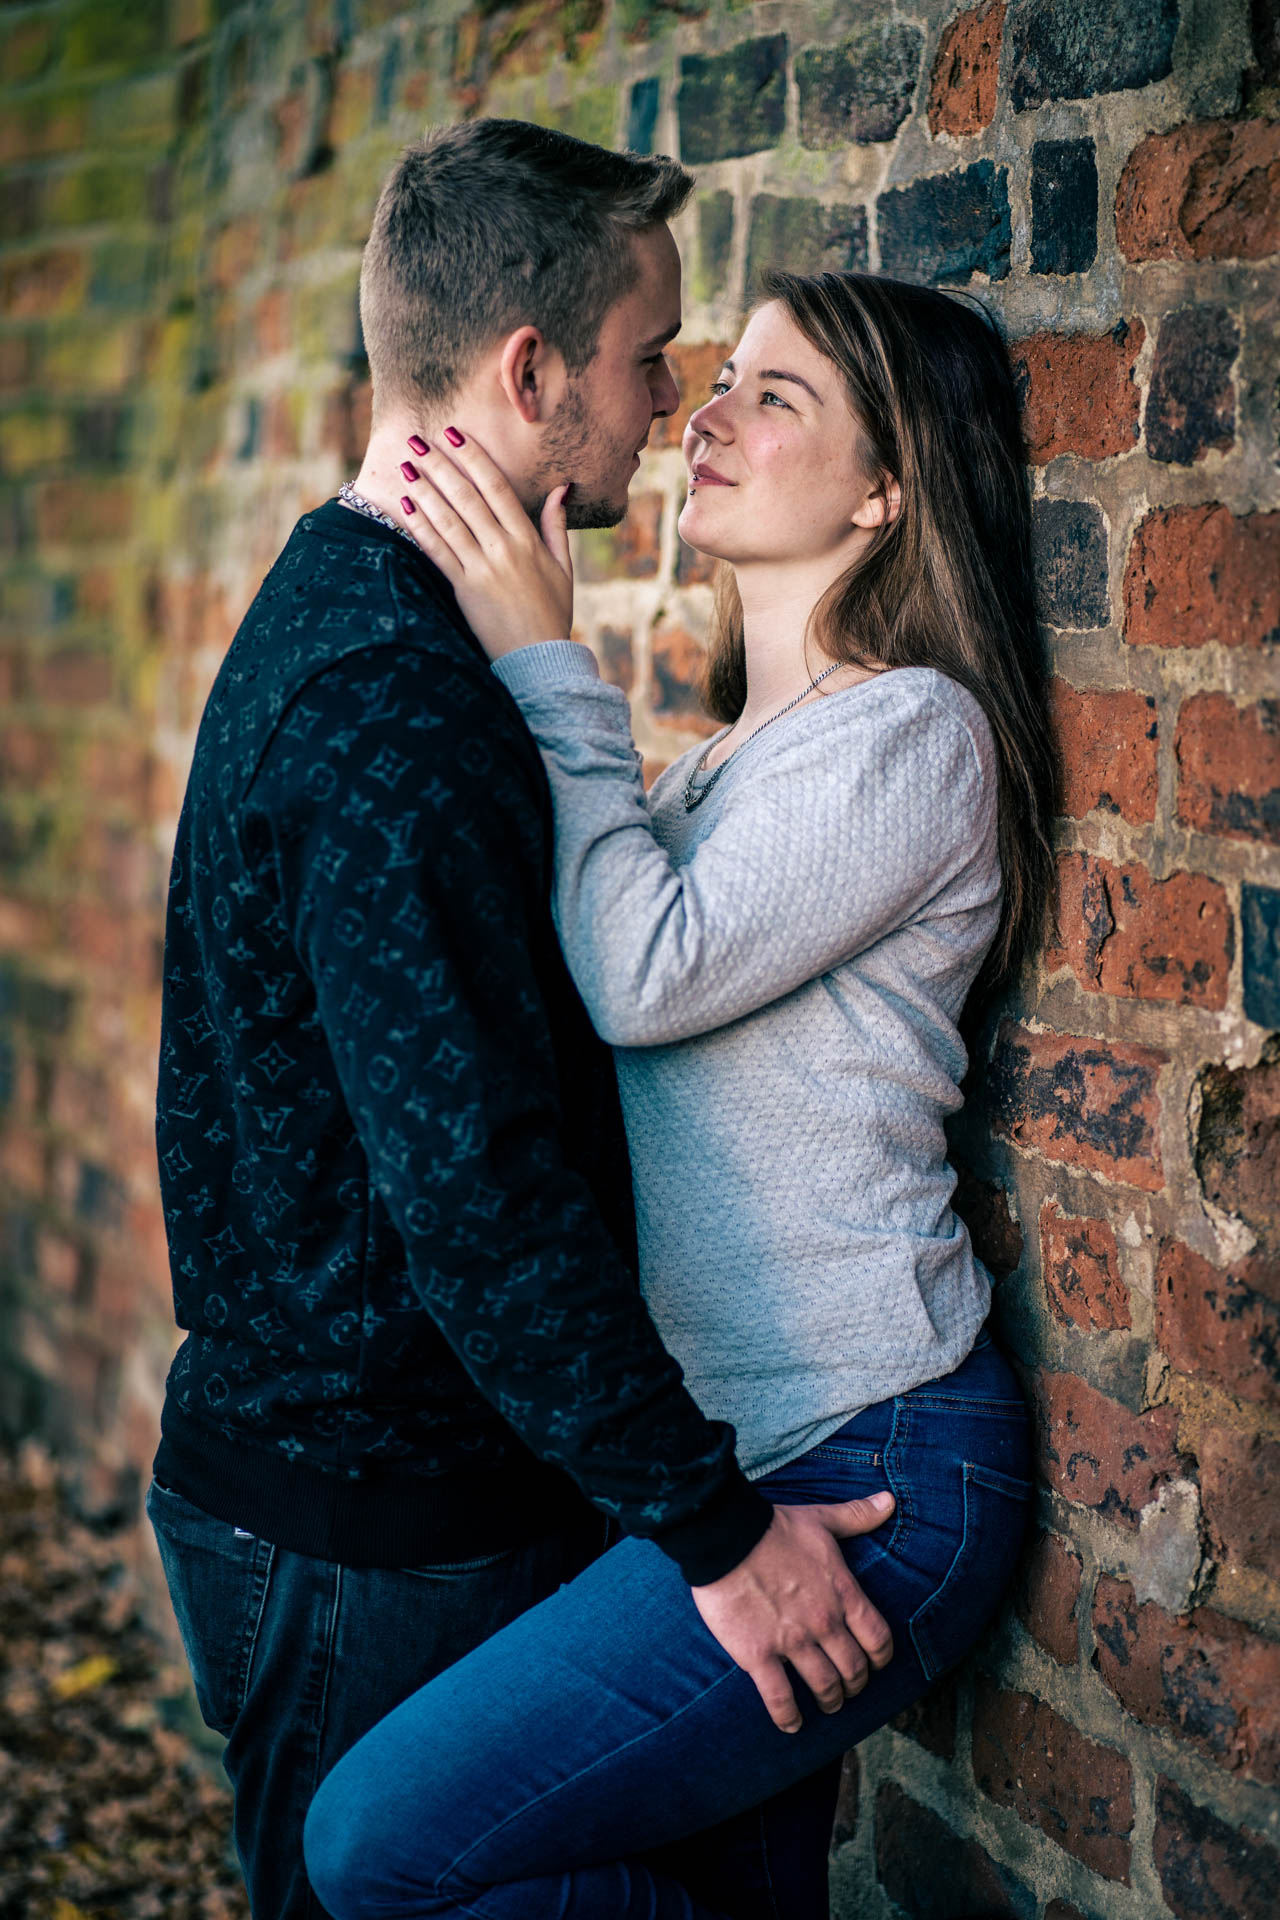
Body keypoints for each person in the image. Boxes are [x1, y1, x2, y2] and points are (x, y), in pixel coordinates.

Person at [149, 123, 902, 1920]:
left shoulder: (386, 617)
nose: (666, 406)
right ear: (530, 372)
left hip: (399, 1491)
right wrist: (719, 1536)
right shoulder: (391, 698)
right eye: (651, 360)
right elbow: (474, 1188)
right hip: (365, 1528)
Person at [301, 266, 1058, 1918]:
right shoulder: (717, 768)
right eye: (718, 379)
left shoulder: (917, 737)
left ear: (885, 490)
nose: (707, 414)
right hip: (727, 1466)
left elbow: (645, 972)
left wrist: (541, 661)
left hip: (868, 1462)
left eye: (777, 397)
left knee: (376, 1851)